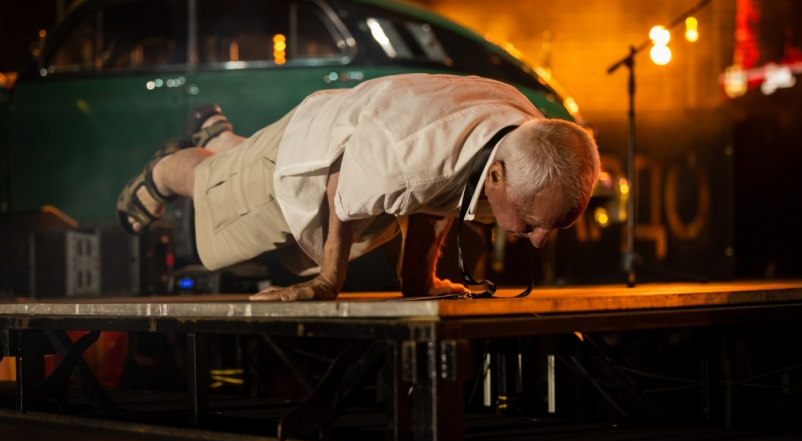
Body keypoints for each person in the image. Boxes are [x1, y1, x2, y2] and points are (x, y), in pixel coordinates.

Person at [117, 73, 600, 301]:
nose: (540, 239)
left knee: (239, 162)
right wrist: (328, 281)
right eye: (533, 222)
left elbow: (441, 193)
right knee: (215, 192)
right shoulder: (410, 159)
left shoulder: (522, 133)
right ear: (496, 177)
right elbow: (342, 181)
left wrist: (419, 279)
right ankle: (166, 169)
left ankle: (220, 139)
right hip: (312, 158)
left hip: (357, 127)